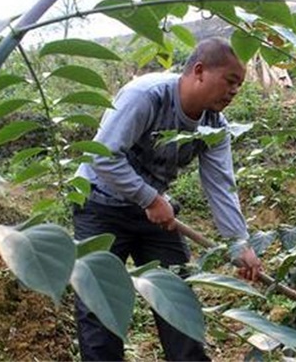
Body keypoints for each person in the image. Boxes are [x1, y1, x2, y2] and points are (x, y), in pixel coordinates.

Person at [73, 37, 262, 361]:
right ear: (199, 71)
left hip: (154, 214)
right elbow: (102, 158)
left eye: (239, 85)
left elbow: (220, 185)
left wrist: (238, 243)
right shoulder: (145, 96)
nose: (234, 91)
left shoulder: (215, 125)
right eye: (230, 81)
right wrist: (149, 198)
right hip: (99, 205)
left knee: (177, 296)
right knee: (98, 302)